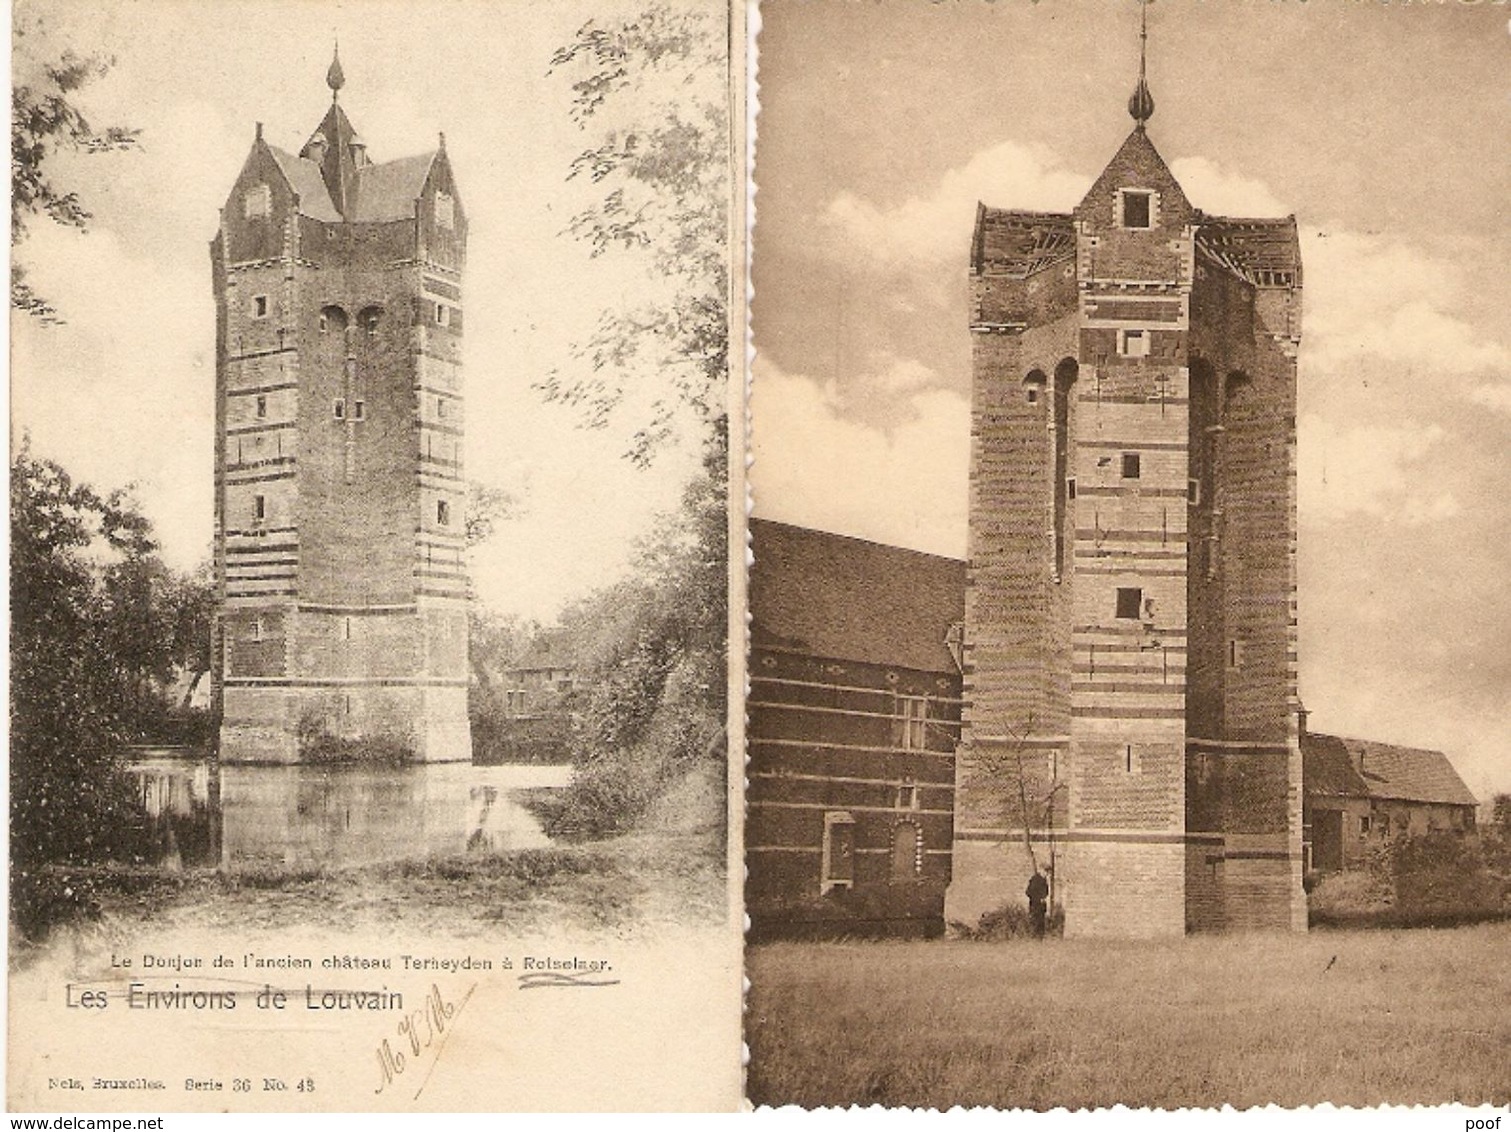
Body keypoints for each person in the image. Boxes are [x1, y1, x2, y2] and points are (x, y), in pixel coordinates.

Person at [1025, 869, 1049, 939]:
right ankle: (1033, 939)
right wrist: (1039, 899)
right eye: (1046, 872)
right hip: (1035, 905)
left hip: (1042, 907)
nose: (1046, 874)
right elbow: (1028, 892)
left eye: (1048, 873)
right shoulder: (1035, 880)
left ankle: (1040, 940)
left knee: (1041, 924)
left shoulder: (1044, 881)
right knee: (1035, 923)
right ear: (1042, 871)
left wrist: (1044, 898)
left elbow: (1046, 892)